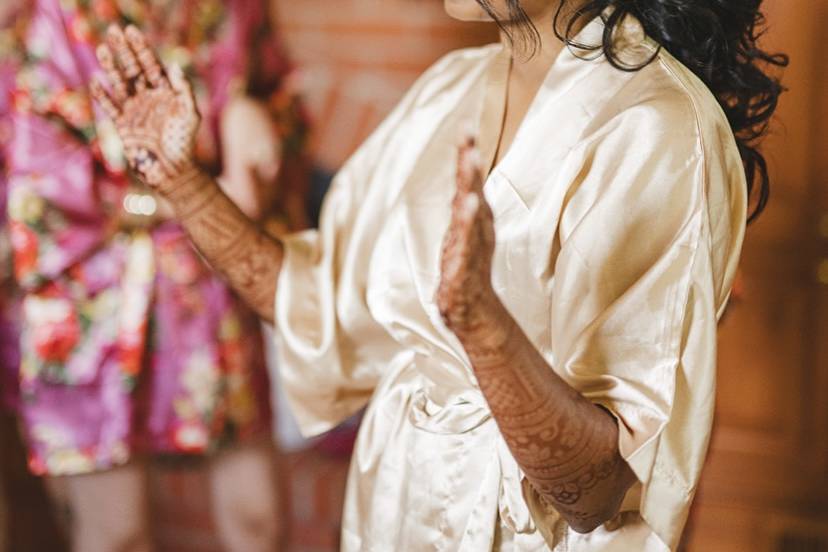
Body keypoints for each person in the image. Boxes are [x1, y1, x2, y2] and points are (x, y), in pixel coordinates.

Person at [91, 0, 786, 550]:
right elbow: (316, 305)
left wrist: (484, 329)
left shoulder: (661, 131)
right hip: (393, 510)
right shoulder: (447, 94)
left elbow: (598, 492)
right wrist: (182, 181)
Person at [6, 0, 309, 550]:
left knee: (258, 518)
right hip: (91, 302)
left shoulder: (236, 9)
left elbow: (282, 99)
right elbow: (38, 184)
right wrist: (187, 197)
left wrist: (251, 110)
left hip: (211, 287)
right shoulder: (55, 14)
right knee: (116, 535)